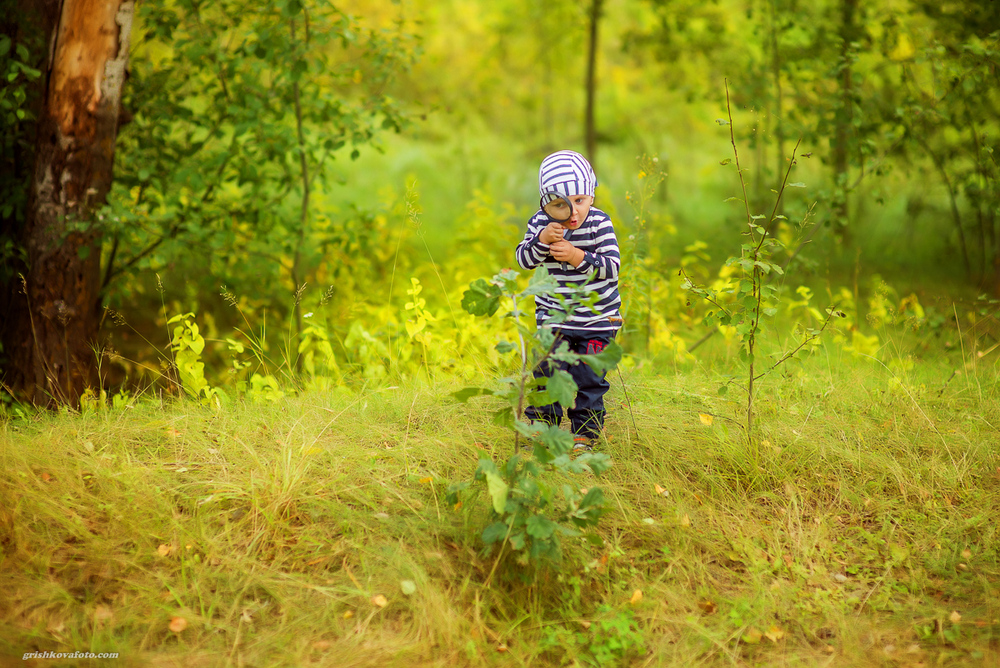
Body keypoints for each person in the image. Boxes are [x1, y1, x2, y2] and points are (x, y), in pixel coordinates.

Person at [514, 150, 622, 451]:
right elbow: (523, 260)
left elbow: (612, 268)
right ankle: (542, 429)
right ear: (545, 203)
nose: (572, 212)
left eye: (580, 201)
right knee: (548, 370)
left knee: (588, 376)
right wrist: (542, 241)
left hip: (598, 320)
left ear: (591, 195)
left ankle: (584, 434)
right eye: (559, 205)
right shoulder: (541, 223)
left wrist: (578, 257)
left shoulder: (600, 223)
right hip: (553, 318)